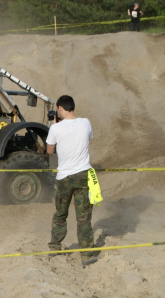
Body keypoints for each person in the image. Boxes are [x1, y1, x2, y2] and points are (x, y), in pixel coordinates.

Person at [46, 95, 98, 267]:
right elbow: (86, 137)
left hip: (64, 177)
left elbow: (50, 150)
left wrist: (54, 126)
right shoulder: (85, 123)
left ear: (60, 108)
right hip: (83, 175)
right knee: (84, 217)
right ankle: (87, 254)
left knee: (60, 215)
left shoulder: (56, 128)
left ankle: (54, 247)